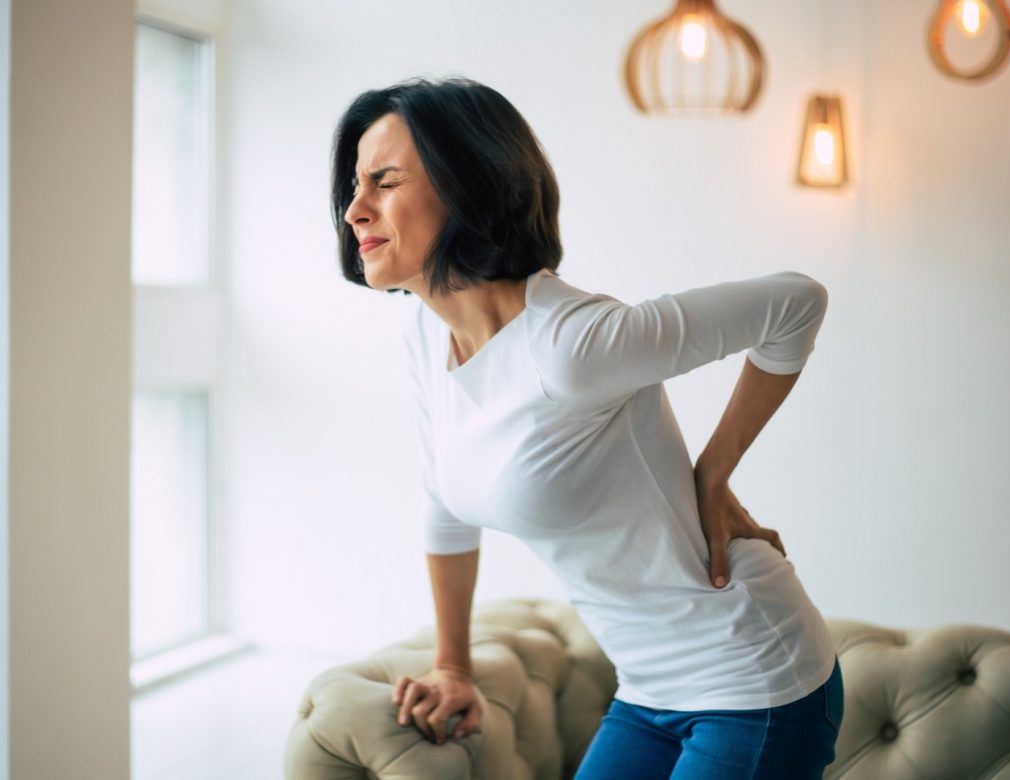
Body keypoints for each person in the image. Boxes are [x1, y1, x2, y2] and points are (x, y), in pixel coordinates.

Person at [330, 76, 844, 779]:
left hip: (752, 678)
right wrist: (454, 667)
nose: (356, 209)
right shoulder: (427, 337)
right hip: (645, 689)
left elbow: (795, 304)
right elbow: (445, 509)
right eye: (355, 186)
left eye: (383, 182)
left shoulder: (570, 344)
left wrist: (713, 470)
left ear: (468, 185)